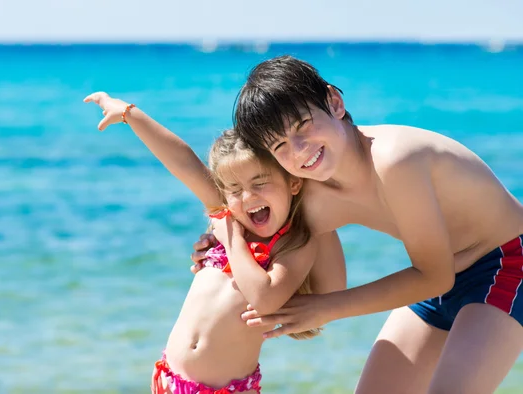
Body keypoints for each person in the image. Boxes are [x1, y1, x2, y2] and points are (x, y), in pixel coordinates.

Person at [191, 55, 523, 394]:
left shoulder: (394, 160)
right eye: (280, 146)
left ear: (334, 103)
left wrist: (327, 309)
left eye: (302, 125)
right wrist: (218, 244)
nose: (300, 150)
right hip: (440, 277)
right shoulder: (312, 190)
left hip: (509, 262)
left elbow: (434, 276)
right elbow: (264, 234)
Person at [83, 91, 343, 394]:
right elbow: (183, 161)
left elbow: (266, 299)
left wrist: (230, 238)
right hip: (168, 380)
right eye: (234, 189)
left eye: (260, 183)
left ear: (293, 182)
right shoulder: (228, 214)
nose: (248, 197)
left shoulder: (294, 241)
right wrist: (129, 114)